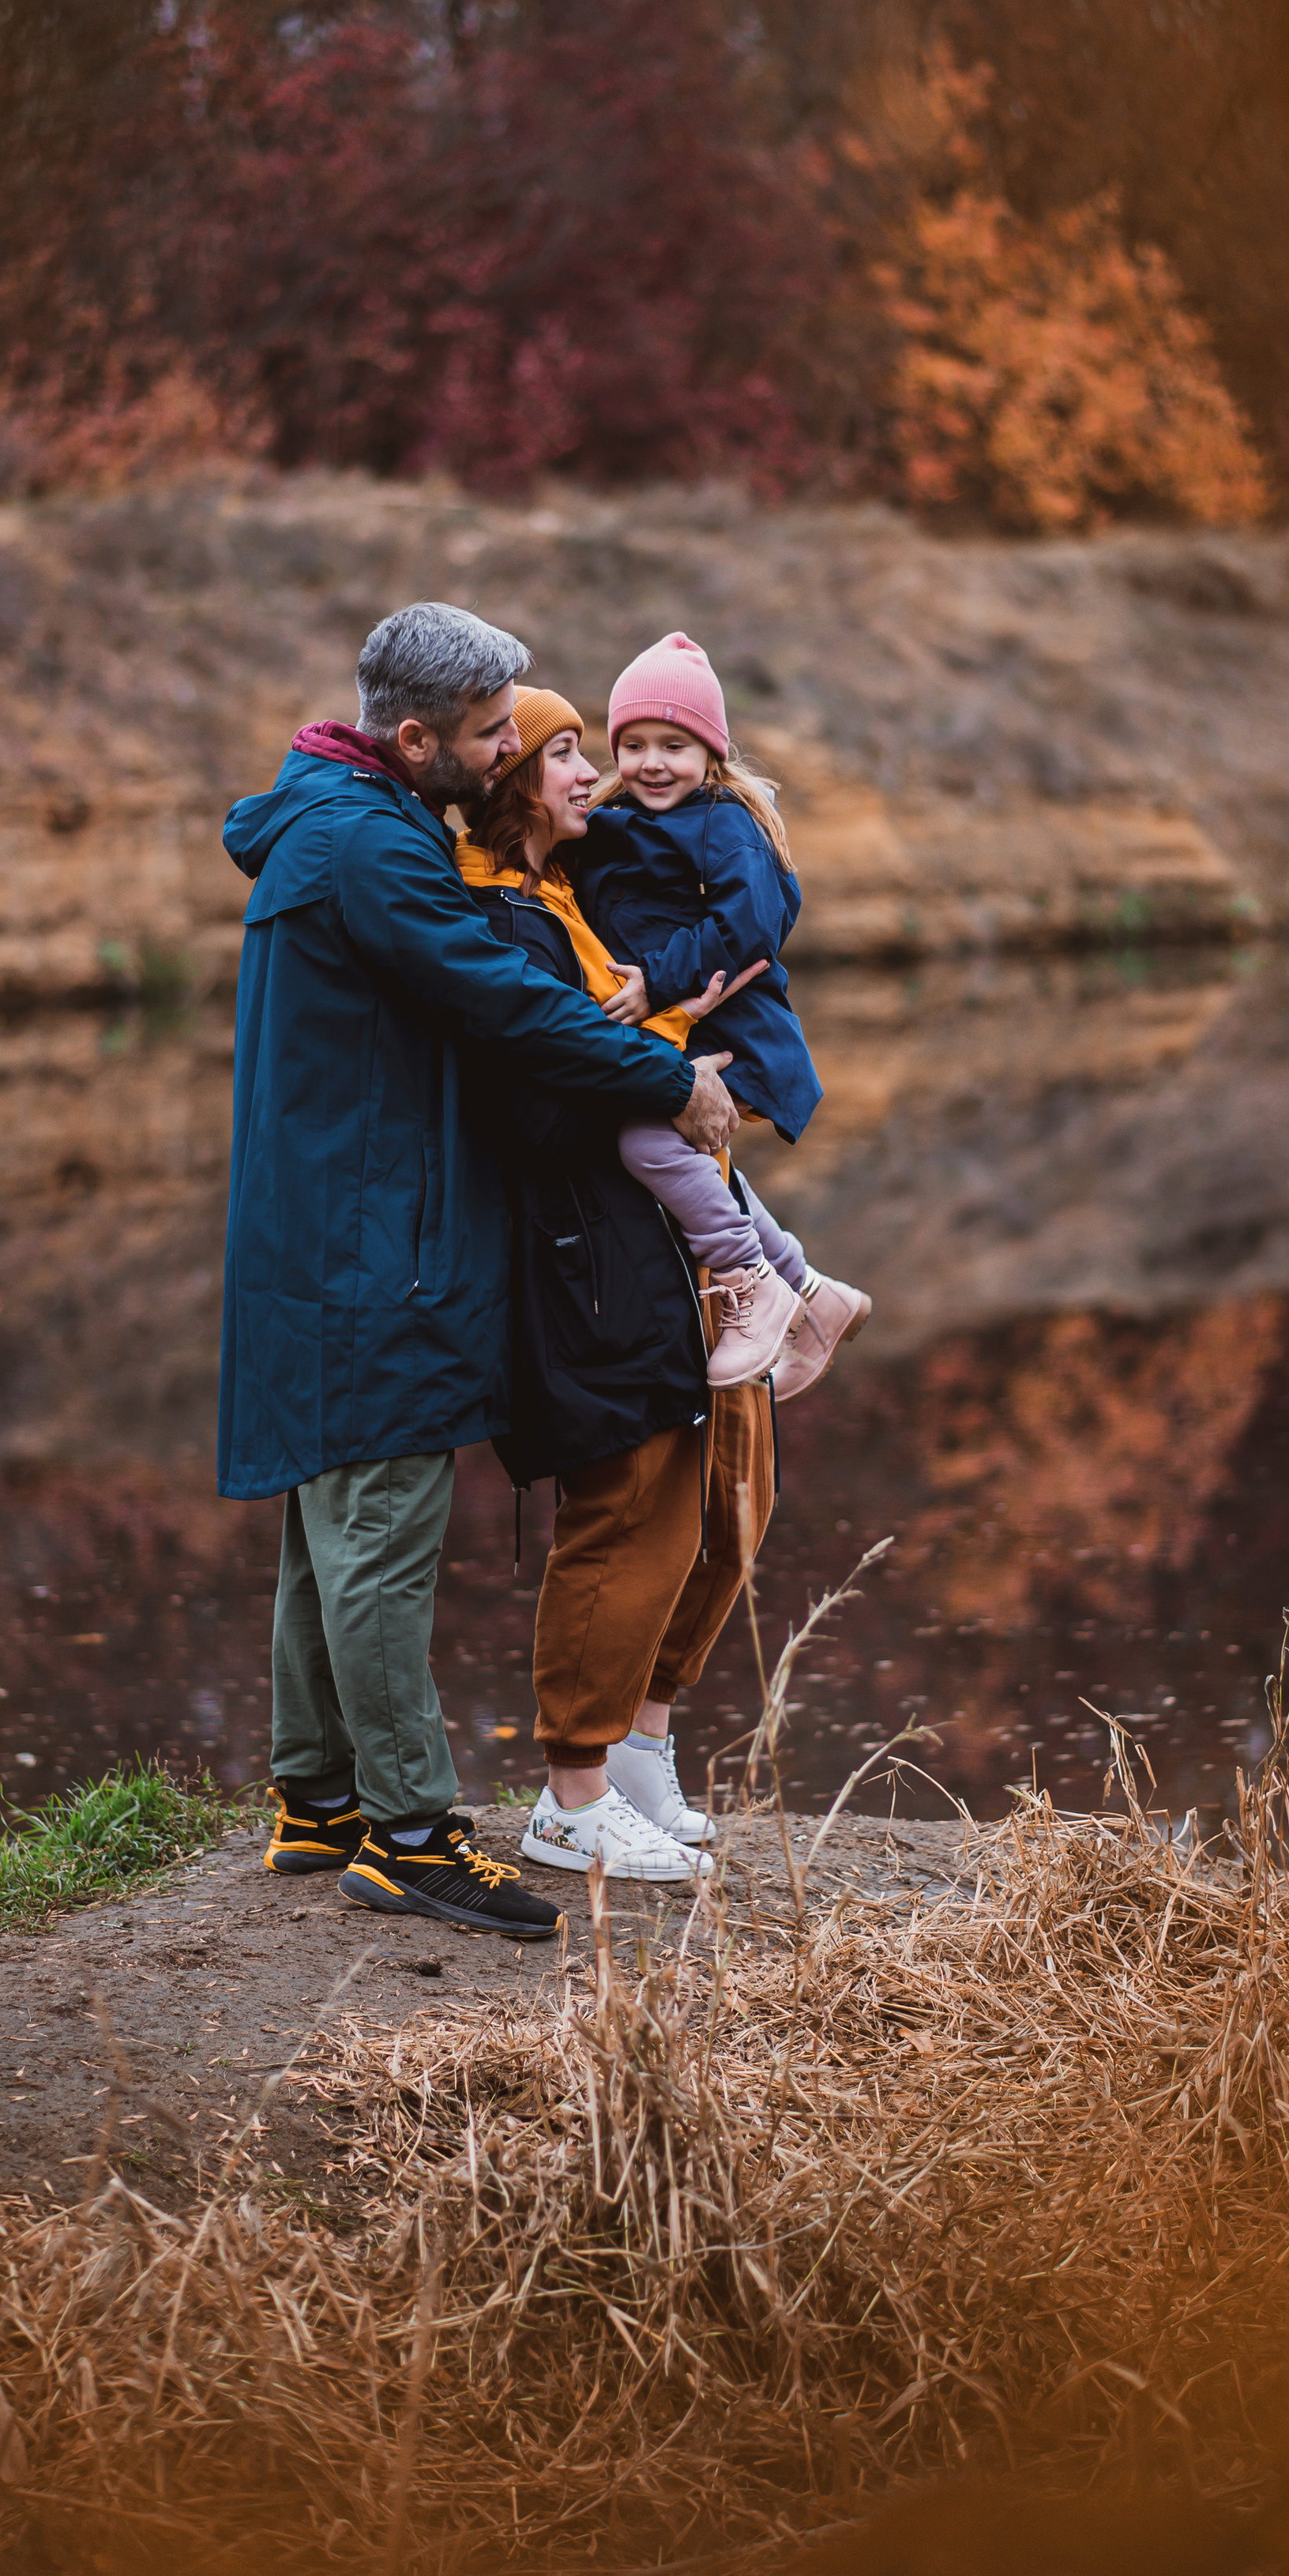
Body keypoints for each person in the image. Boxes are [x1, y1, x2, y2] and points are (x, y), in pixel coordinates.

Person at [218, 606, 738, 1939]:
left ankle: (315, 1799)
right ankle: (407, 1832)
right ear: (414, 738)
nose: (516, 750)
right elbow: (500, 1000)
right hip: (369, 1248)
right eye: (493, 732)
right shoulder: (368, 846)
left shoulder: (336, 820)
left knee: (325, 1526)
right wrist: (664, 1073)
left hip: (324, 1240)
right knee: (382, 1536)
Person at [456, 689, 778, 1883]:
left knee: (718, 1505)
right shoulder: (495, 918)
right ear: (507, 783)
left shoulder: (573, 896)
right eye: (561, 756)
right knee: (624, 1507)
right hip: (583, 1257)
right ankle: (571, 1793)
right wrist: (661, 1073)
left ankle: (637, 1748)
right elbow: (537, 1100)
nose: (590, 772)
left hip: (654, 1241)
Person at [581, 629, 870, 1400]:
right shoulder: (614, 820)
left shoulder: (725, 821)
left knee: (645, 1140)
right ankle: (812, 1295)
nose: (650, 762)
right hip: (682, 1029)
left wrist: (656, 984)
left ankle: (751, 1280)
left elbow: (752, 925)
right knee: (695, 1165)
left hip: (735, 1034)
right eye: (633, 743)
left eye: (673, 744)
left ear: (710, 751)